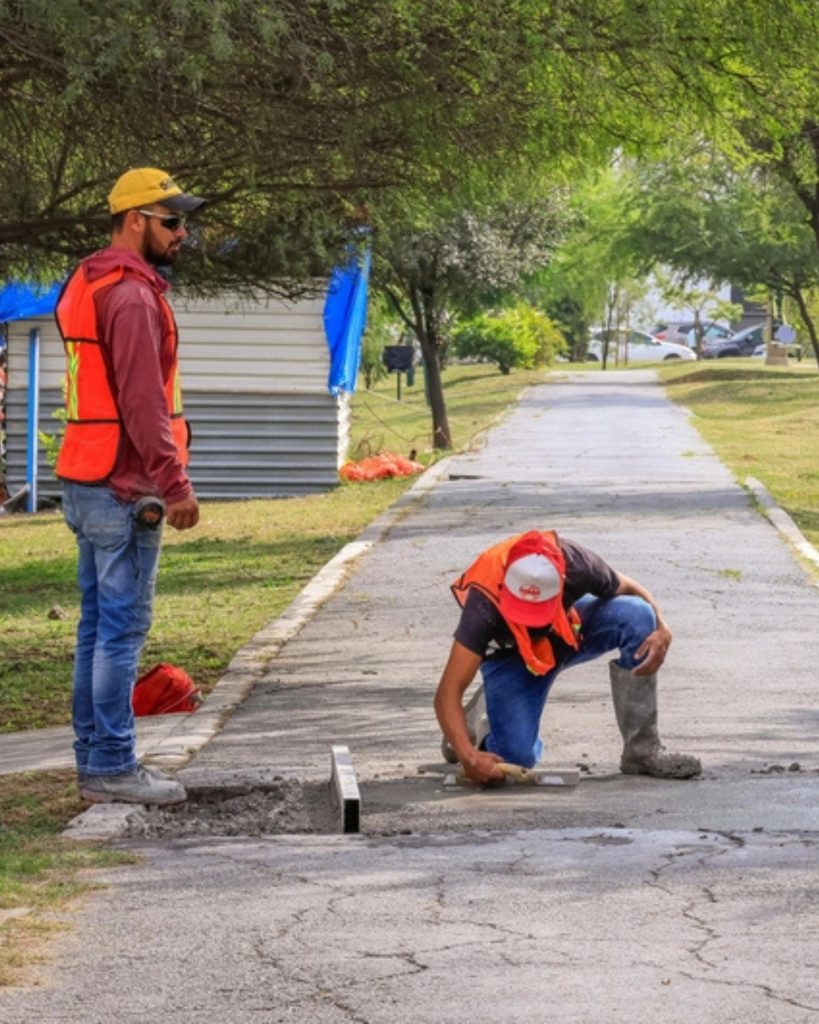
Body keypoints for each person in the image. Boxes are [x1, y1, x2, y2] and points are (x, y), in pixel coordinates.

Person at [56, 167, 205, 805]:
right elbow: (144, 403)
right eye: (171, 221)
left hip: (85, 479)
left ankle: (94, 762)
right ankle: (114, 767)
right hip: (126, 487)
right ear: (135, 220)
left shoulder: (91, 282)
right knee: (120, 631)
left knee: (96, 628)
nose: (182, 232)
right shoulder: (133, 296)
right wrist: (175, 485)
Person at [435, 529, 701, 784]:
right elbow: (447, 692)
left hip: (564, 630)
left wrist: (662, 627)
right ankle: (485, 712)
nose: (531, 623)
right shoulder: (483, 604)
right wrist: (468, 758)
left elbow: (631, 588)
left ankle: (642, 752)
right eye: (524, 613)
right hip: (511, 659)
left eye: (536, 613)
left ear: (561, 583)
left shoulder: (576, 563)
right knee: (514, 760)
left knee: (639, 615)